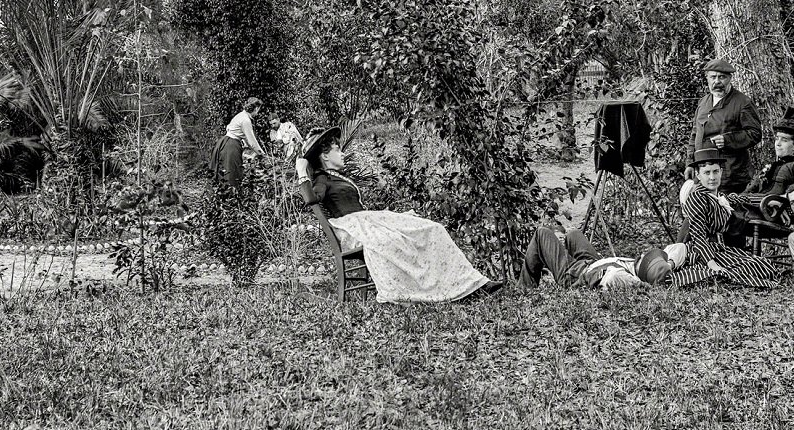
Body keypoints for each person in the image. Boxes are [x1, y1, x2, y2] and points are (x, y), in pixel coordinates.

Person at [297, 126, 500, 303]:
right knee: (393, 240)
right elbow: (312, 200)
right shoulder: (322, 178)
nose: (342, 153)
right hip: (355, 229)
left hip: (367, 221)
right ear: (324, 156)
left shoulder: (336, 176)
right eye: (337, 149)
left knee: (431, 228)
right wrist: (301, 172)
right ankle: (438, 289)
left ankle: (469, 283)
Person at [670, 148, 781, 291]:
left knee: (764, 266)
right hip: (702, 252)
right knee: (744, 270)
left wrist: (767, 201)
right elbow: (698, 236)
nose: (712, 177)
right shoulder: (697, 197)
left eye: (715, 171)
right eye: (707, 173)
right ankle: (712, 275)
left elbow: (739, 198)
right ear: (698, 175)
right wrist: (711, 263)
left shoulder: (718, 196)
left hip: (720, 249)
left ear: (721, 172)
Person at [520, 218, 690, 292]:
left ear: (644, 267)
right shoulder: (637, 265)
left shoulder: (625, 277)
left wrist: (643, 286)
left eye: (646, 257)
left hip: (575, 275)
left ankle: (525, 288)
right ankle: (560, 256)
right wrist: (670, 265)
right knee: (574, 234)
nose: (644, 253)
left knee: (542, 233)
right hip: (593, 262)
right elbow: (679, 248)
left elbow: (612, 278)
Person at [726, 110, 794, 228]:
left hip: (770, 213)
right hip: (755, 205)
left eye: (784, 140)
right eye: (777, 139)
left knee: (726, 212)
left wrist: (783, 200)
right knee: (723, 206)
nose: (778, 144)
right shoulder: (771, 167)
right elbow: (748, 191)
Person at [691, 58, 762, 193]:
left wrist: (728, 140)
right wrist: (690, 163)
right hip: (705, 174)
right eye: (713, 77)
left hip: (731, 175)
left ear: (730, 78)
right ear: (707, 78)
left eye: (722, 77)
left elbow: (755, 133)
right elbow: (695, 133)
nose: (717, 81)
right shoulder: (703, 102)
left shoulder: (743, 103)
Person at [211, 94, 268, 191]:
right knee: (231, 174)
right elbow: (252, 141)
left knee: (223, 172)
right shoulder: (246, 120)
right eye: (258, 110)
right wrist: (262, 154)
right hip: (230, 146)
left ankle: (222, 197)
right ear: (256, 108)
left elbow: (247, 140)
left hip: (224, 143)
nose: (258, 113)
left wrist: (257, 151)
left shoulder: (241, 115)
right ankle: (230, 199)